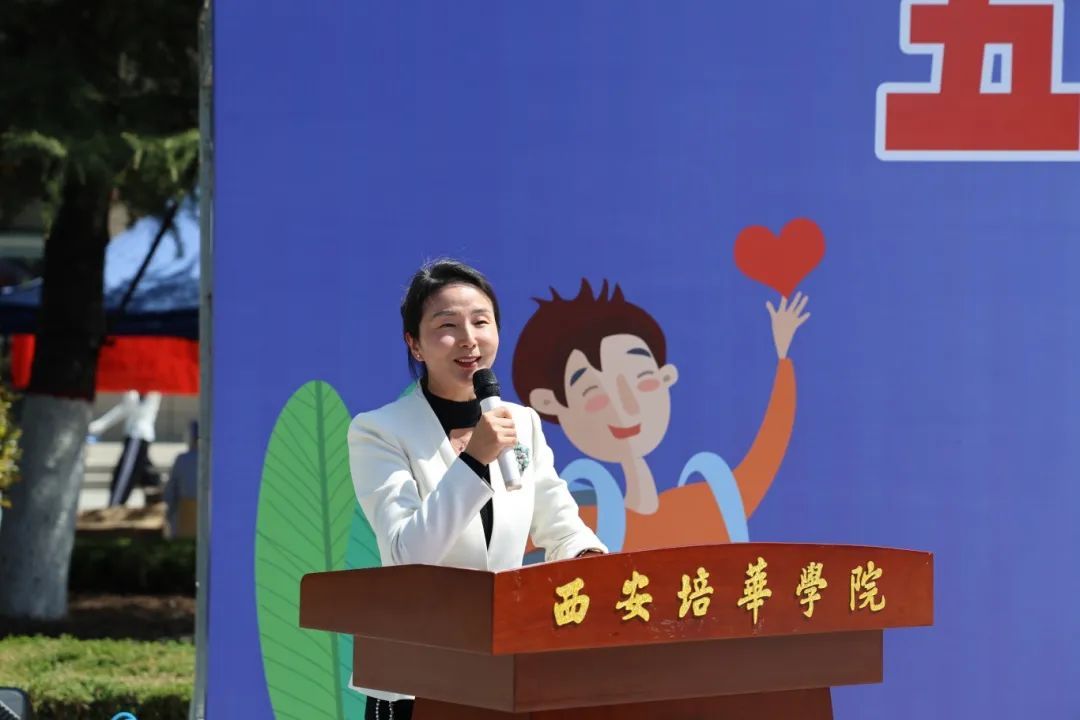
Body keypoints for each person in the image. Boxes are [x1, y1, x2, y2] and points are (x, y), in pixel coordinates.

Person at [348, 260, 606, 720]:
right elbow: (407, 553)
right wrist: (474, 460)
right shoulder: (379, 432)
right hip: (415, 681)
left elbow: (562, 527)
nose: (469, 339)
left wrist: (587, 557)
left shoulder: (521, 423)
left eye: (481, 322)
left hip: (499, 672)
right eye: (447, 326)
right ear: (415, 343)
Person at [512, 279, 809, 551]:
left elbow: (765, 456)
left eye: (643, 380)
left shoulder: (705, 503)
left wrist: (784, 360)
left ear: (667, 377)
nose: (626, 407)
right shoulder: (576, 521)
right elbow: (497, 543)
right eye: (595, 393)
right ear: (550, 403)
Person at [88, 389, 163, 506]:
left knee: (124, 475)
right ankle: (157, 503)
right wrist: (99, 425)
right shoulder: (133, 390)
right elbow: (124, 408)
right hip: (135, 436)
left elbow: (134, 409)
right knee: (148, 475)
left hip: (138, 436)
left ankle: (114, 506)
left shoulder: (151, 391)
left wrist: (99, 425)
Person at [163, 420, 198, 539]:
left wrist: (168, 515)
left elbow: (170, 492)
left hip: (185, 517)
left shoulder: (182, 460)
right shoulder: (215, 459)